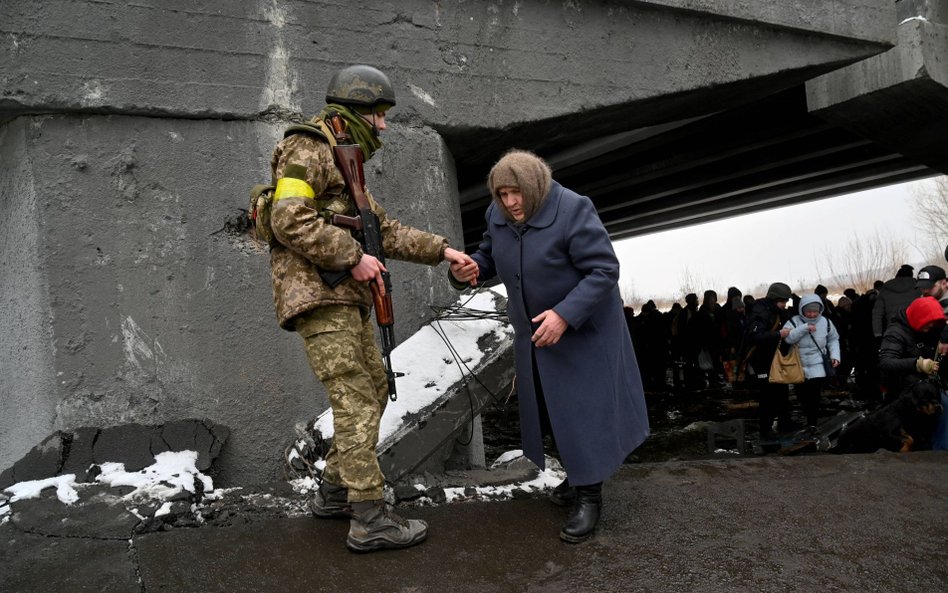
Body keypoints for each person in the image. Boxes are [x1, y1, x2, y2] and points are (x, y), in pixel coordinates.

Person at [267, 64, 475, 552]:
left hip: (346, 296)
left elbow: (385, 230)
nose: (383, 126)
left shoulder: (347, 165)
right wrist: (353, 257)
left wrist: (443, 251)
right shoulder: (307, 148)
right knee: (355, 398)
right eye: (379, 116)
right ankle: (369, 517)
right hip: (321, 295)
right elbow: (287, 219)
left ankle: (337, 491)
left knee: (375, 391)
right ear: (354, 112)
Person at [449, 149, 650, 543]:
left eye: (516, 193)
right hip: (536, 336)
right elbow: (488, 258)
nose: (509, 203)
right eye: (501, 195)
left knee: (582, 412)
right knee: (553, 410)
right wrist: (468, 269)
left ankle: (589, 495)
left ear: (535, 186)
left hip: (582, 332)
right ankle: (577, 477)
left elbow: (604, 269)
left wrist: (564, 314)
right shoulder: (498, 215)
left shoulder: (574, 209)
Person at [877, 296, 947, 449]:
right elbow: (886, 362)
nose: (930, 328)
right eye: (927, 325)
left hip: (926, 383)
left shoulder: (934, 329)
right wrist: (917, 364)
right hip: (901, 387)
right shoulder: (895, 333)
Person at [743, 282, 794, 439]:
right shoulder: (761, 312)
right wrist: (779, 334)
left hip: (775, 359)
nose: (785, 305)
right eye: (782, 301)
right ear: (774, 299)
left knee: (782, 391)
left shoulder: (775, 311)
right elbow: (755, 337)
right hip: (762, 361)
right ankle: (765, 430)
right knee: (767, 396)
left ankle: (784, 423)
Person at [782, 294, 841, 428]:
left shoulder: (826, 322)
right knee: (802, 396)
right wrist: (804, 328)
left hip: (818, 365)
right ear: (802, 310)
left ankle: (812, 424)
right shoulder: (793, 321)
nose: (812, 314)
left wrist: (835, 356)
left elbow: (833, 339)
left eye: (815, 311)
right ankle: (808, 415)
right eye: (809, 311)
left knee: (814, 397)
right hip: (798, 366)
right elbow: (787, 339)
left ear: (820, 310)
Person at [873, 264, 920, 340]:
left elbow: (877, 313)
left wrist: (877, 333)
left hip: (893, 330)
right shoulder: (918, 287)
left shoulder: (886, 288)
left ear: (897, 274)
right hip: (916, 328)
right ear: (911, 274)